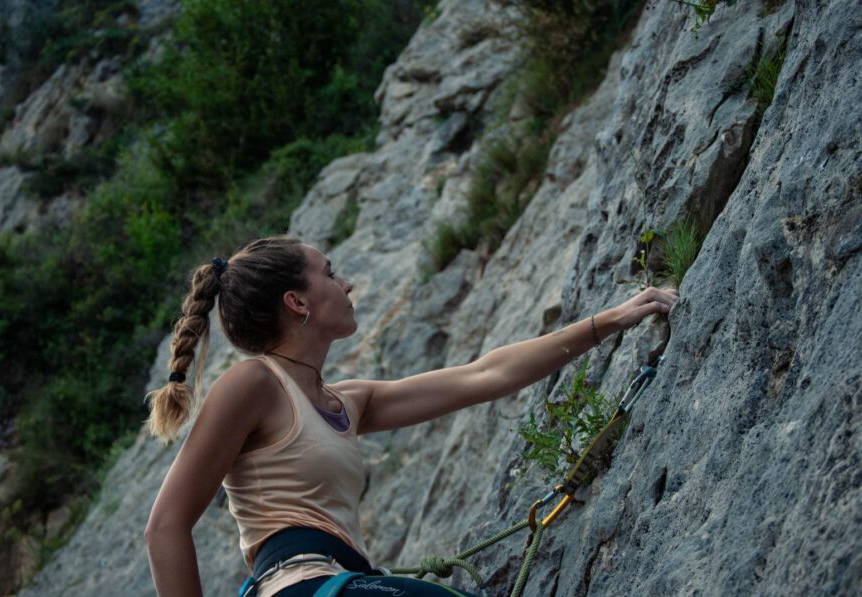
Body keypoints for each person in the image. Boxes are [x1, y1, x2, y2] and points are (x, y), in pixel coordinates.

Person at [144, 236, 677, 597]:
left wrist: (612, 319)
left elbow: (485, 376)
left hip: (341, 581)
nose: (347, 284)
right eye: (330, 274)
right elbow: (166, 524)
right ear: (297, 301)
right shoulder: (252, 383)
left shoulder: (345, 402)